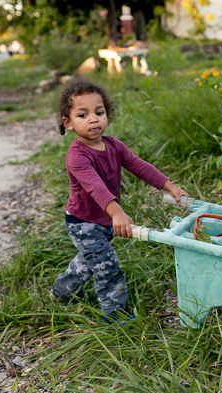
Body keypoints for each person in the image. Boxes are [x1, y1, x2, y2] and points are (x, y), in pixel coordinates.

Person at [50, 79, 188, 323]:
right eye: (83, 115)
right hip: (83, 223)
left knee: (89, 261)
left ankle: (61, 291)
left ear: (107, 115)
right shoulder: (77, 156)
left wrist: (170, 187)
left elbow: (139, 166)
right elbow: (96, 186)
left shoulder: (114, 145)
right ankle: (115, 315)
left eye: (99, 112)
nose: (93, 119)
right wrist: (117, 213)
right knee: (107, 265)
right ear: (68, 123)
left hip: (103, 219)